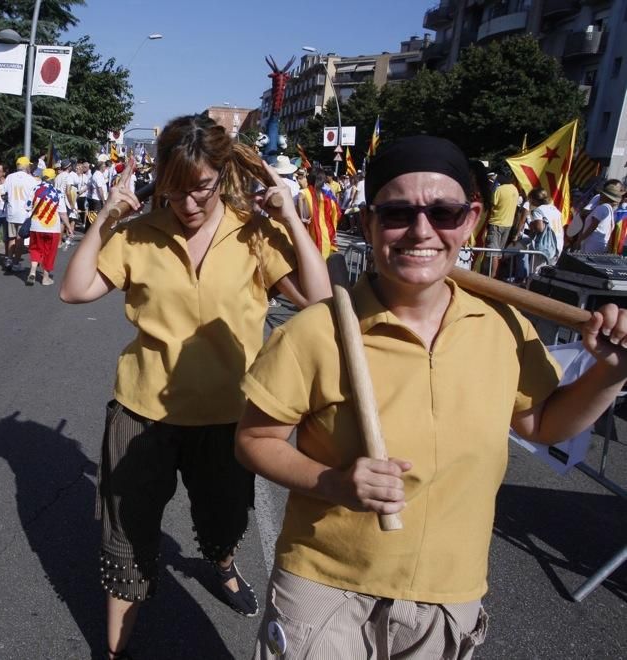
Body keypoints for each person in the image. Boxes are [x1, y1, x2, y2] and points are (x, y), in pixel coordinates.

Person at [235, 135, 627, 659]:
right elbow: (254, 440)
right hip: (327, 585)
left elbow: (544, 426)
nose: (422, 230)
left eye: (443, 212)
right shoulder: (314, 331)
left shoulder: (504, 328)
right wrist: (330, 481)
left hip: (449, 595)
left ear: (471, 220)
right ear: (370, 223)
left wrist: (612, 371)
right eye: (398, 212)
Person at [60, 114, 330, 659]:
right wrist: (106, 218)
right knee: (128, 531)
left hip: (229, 416)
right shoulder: (139, 232)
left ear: (222, 175)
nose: (189, 203)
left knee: (223, 519)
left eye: (202, 187)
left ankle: (223, 565)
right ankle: (115, 648)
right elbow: (76, 289)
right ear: (161, 179)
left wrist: (291, 217)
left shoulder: (252, 231)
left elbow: (319, 300)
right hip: (142, 413)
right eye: (176, 189)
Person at [25, 167, 72, 286]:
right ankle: (45, 278)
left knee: (35, 249)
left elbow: (27, 207)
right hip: (52, 228)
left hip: (35, 226)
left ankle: (32, 271)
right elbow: (62, 213)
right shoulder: (58, 193)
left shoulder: (34, 189)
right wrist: (68, 227)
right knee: (49, 252)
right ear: (53, 179)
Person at [3, 155, 39, 271]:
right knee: (20, 239)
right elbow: (35, 197)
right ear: (26, 166)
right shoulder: (31, 180)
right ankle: (16, 263)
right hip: (24, 213)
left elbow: (4, 193)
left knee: (11, 238)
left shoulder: (9, 177)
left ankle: (9, 259)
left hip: (11, 211)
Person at [571, 179, 626, 253]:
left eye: (602, 194)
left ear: (606, 196)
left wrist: (579, 240)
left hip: (592, 244)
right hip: (599, 245)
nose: (601, 195)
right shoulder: (609, 209)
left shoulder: (602, 208)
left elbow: (592, 227)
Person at [484, 169, 519, 278]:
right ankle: (494, 275)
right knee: (499, 253)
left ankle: (492, 277)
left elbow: (492, 204)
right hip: (508, 224)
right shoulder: (515, 189)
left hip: (496, 223)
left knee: (493, 252)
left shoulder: (499, 190)